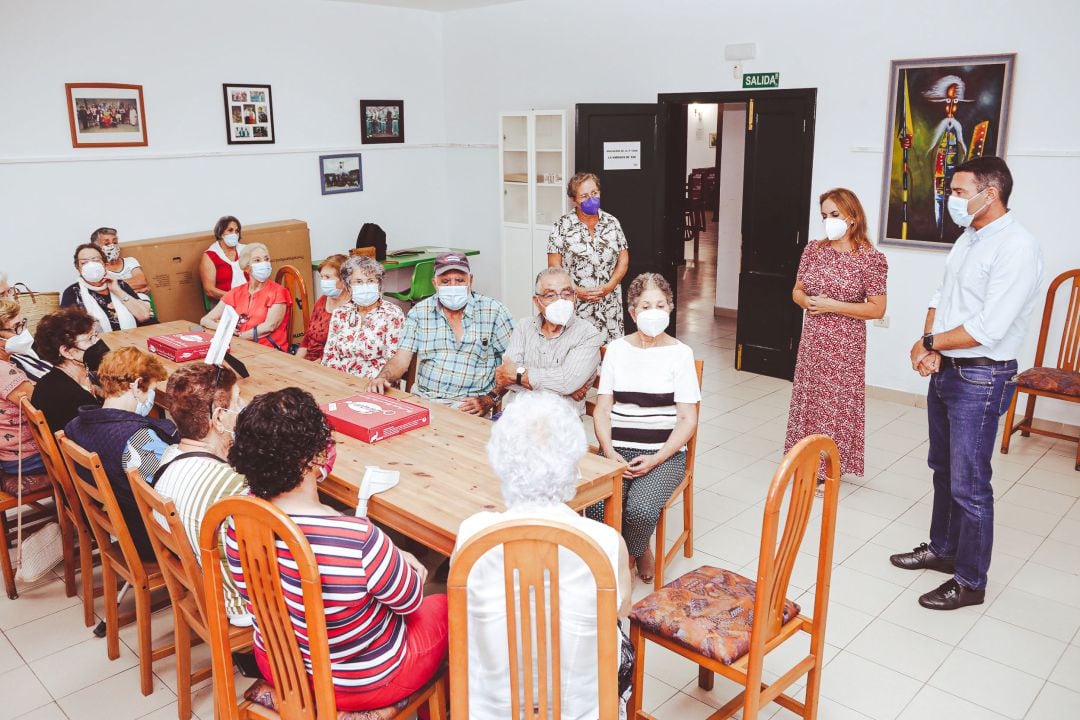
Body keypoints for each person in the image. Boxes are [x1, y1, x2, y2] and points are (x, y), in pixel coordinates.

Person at [226, 387, 447, 711]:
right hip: (362, 683)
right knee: (443, 603)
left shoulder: (236, 518)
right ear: (313, 457)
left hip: (277, 664)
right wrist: (402, 561)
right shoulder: (357, 538)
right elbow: (410, 601)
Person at [891, 157, 1044, 611]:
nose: (950, 200)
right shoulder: (970, 237)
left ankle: (970, 581)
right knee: (943, 468)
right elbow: (943, 296)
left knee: (971, 484)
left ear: (990, 193)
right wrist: (931, 347)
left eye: (958, 192)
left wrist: (928, 341)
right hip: (949, 369)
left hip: (981, 374)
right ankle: (943, 549)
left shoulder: (1017, 247)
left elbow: (988, 327)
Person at [454, 391, 634, 718]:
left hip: (492, 711)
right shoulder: (605, 542)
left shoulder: (472, 533)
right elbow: (620, 611)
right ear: (573, 462)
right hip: (580, 712)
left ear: (501, 461)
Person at [589, 273, 700, 582]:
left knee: (640, 509)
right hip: (617, 448)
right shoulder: (616, 350)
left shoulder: (680, 354)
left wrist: (658, 457)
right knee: (597, 506)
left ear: (670, 309)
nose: (654, 311)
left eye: (661, 305)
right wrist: (609, 451)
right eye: (646, 305)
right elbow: (602, 410)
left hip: (664, 453)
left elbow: (688, 419)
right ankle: (629, 549)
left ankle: (634, 554)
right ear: (633, 312)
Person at [786, 189, 888, 490]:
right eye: (824, 216)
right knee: (809, 397)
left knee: (835, 402)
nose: (828, 221)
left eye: (834, 215)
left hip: (845, 343)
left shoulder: (871, 259)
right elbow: (797, 290)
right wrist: (807, 302)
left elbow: (877, 308)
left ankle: (828, 468)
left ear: (852, 218)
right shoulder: (814, 250)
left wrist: (834, 306)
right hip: (814, 338)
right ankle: (803, 457)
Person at [153, 364, 251, 627]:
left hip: (201, 581)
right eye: (238, 400)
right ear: (219, 418)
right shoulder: (231, 486)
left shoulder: (170, 455)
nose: (244, 406)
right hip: (238, 606)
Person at [64, 347, 179, 561]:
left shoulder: (75, 426)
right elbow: (173, 495)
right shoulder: (137, 439)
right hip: (152, 539)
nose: (151, 397)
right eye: (151, 389)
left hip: (121, 527)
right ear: (136, 386)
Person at [371, 253, 513, 415]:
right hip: (424, 400)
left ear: (470, 280)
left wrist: (491, 399)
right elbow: (401, 359)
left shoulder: (494, 312)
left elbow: (512, 366)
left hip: (469, 406)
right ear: (435, 283)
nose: (453, 286)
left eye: (459, 280)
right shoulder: (420, 312)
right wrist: (383, 377)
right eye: (445, 281)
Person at [494, 267, 601, 416]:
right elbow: (505, 377)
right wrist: (563, 389)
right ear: (537, 301)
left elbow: (567, 382)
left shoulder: (588, 334)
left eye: (566, 293)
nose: (560, 300)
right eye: (550, 295)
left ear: (575, 297)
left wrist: (518, 375)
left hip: (560, 422)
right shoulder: (524, 326)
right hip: (516, 416)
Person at [547, 172, 630, 344]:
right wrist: (575, 291)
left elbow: (623, 260)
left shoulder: (612, 222)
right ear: (574, 200)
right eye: (584, 196)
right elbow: (554, 267)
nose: (591, 199)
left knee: (609, 355)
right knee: (578, 356)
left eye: (594, 193)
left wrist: (610, 286)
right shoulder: (561, 226)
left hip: (609, 304)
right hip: (576, 304)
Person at [321, 255, 405, 377]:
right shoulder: (340, 313)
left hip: (375, 384)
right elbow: (330, 355)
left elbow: (395, 362)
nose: (365, 286)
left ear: (379, 285)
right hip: (340, 381)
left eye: (370, 281)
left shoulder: (392, 314)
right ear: (349, 287)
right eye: (358, 282)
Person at [200, 243, 291, 351]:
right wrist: (225, 329)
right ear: (246, 268)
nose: (264, 264)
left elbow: (269, 326)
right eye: (257, 260)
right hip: (240, 347)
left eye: (266, 259)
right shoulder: (236, 292)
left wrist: (239, 337)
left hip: (267, 350)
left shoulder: (278, 292)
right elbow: (205, 320)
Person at [30, 307, 102, 432]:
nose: (97, 343)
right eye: (89, 339)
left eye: (95, 336)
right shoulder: (71, 397)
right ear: (66, 351)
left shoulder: (52, 379)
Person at [0, 299, 47, 487]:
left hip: (14, 454)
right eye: (16, 328)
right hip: (25, 459)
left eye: (23, 323)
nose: (24, 332)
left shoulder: (8, 362)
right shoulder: (4, 373)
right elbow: (45, 403)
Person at [61, 243, 155, 333]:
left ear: (105, 265)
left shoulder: (120, 285)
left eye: (96, 260)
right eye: (84, 262)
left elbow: (144, 316)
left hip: (131, 341)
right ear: (78, 268)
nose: (91, 266)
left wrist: (117, 290)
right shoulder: (72, 293)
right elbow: (70, 330)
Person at [295, 254, 349, 363]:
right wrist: (295, 362)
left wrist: (309, 367)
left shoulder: (350, 308)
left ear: (344, 280)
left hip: (328, 364)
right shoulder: (322, 300)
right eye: (322, 277)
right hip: (307, 361)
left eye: (328, 277)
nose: (323, 281)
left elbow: (336, 353)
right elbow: (307, 338)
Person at [91, 227, 152, 297]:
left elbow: (140, 282)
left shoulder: (130, 261)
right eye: (107, 244)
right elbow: (103, 291)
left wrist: (114, 287)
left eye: (115, 242)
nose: (112, 246)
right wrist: (135, 291)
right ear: (96, 247)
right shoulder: (97, 269)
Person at [199, 215, 247, 304]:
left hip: (252, 301)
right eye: (230, 230)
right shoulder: (210, 256)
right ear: (220, 232)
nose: (234, 234)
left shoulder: (246, 251)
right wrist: (236, 298)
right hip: (224, 304)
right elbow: (209, 290)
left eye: (237, 231)